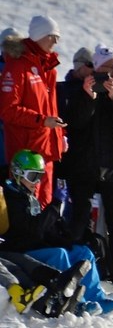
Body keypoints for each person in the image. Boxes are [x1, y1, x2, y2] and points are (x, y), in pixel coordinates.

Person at [60, 44, 113, 289]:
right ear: (97, 68)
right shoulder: (81, 89)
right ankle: (72, 266)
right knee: (79, 218)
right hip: (84, 166)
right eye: (109, 68)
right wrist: (89, 96)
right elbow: (74, 122)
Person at [0, 149, 113, 315]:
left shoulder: (28, 196)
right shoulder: (10, 197)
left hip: (37, 245)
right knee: (59, 254)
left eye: (40, 177)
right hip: (22, 249)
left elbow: (45, 229)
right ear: (18, 173)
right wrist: (55, 205)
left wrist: (67, 239)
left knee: (83, 252)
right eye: (33, 177)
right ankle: (76, 302)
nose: (37, 182)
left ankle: (96, 298)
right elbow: (33, 230)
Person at [0, 15, 67, 207]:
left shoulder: (49, 68)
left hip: (45, 150)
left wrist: (59, 136)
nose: (56, 41)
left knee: (44, 206)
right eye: (52, 36)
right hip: (26, 154)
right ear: (38, 36)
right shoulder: (18, 65)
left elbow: (51, 110)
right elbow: (8, 110)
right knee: (26, 207)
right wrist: (42, 121)